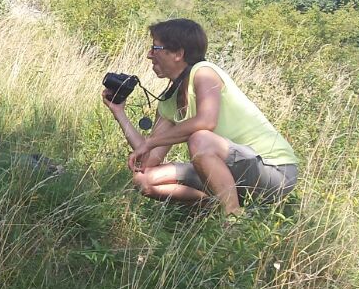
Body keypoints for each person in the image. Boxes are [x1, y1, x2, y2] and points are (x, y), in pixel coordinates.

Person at [104, 18, 299, 216]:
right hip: (230, 174)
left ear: (178, 54)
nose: (149, 55)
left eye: (155, 48)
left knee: (200, 138)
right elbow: (148, 160)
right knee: (144, 179)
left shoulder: (204, 72)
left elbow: (206, 121)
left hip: (274, 171)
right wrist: (119, 112)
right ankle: (217, 207)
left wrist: (150, 141)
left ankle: (233, 219)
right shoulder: (169, 100)